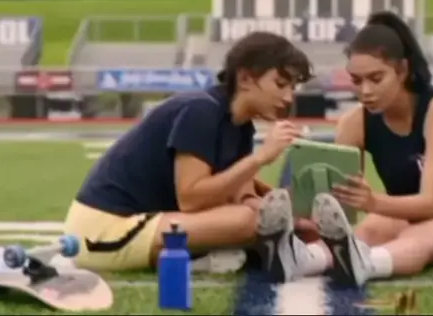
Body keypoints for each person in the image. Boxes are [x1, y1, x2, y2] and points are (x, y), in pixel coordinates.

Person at [254, 11, 433, 286]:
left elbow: (431, 204)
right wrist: (306, 207)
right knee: (370, 228)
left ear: (402, 71)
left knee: (417, 236)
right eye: (356, 80)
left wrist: (372, 201)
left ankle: (367, 264)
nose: (365, 91)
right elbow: (339, 204)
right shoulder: (354, 122)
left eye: (376, 78)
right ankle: (302, 259)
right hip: (407, 213)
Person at [63, 31, 312, 271]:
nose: (288, 98)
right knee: (249, 221)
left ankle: (219, 255)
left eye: (292, 88)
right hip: (102, 231)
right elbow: (191, 199)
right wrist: (260, 158)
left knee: (258, 218)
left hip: (146, 222)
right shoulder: (200, 111)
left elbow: (242, 195)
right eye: (280, 84)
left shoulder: (240, 126)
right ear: (245, 78)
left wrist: (289, 209)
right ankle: (204, 257)